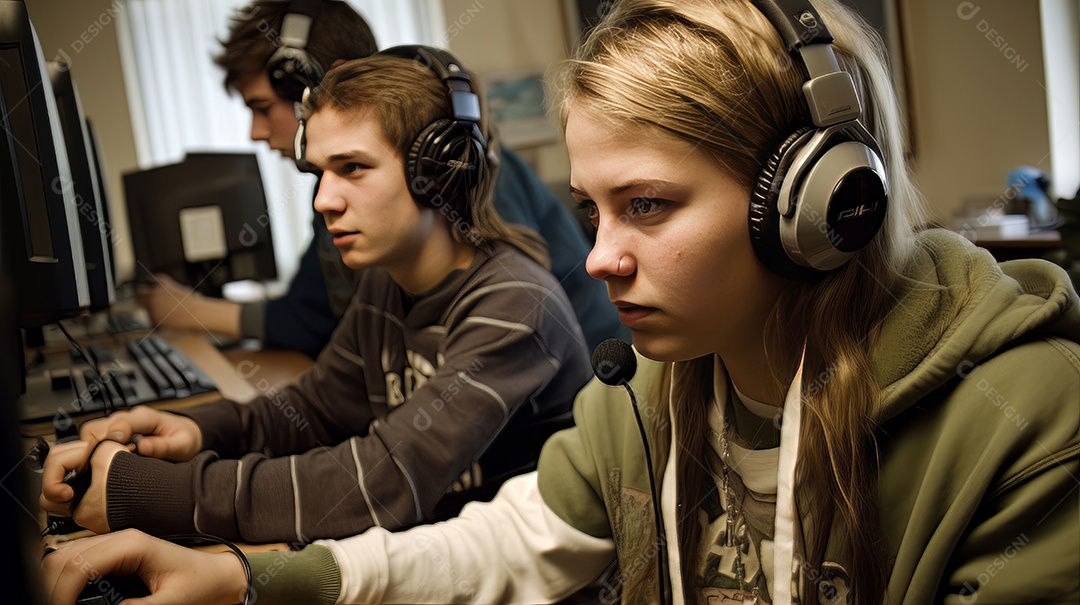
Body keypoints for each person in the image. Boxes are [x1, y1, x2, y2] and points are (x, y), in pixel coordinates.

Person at [42, 1, 1080, 604]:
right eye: (592, 209)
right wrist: (245, 577)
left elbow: (390, 477)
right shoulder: (652, 395)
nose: (599, 259)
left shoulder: (1028, 424)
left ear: (821, 208)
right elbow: (504, 537)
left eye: (649, 205)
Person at [39, 47, 591, 547]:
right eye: (319, 173)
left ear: (439, 174)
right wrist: (200, 430)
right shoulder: (386, 279)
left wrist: (151, 493)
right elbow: (316, 412)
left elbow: (384, 481)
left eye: (352, 168)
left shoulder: (516, 306)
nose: (325, 199)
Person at [140, 0, 625, 359]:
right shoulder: (342, 192)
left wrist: (194, 311)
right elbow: (317, 308)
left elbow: (507, 330)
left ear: (321, 82)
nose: (255, 132)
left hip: (596, 385)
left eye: (263, 108)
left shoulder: (449, 171)